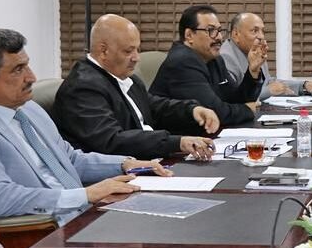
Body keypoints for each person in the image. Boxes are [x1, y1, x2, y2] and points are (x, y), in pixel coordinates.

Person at [0, 28, 172, 225]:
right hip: (44, 228)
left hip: (84, 214)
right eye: (18, 70)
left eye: (27, 66)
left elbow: (69, 159)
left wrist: (124, 164)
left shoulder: (30, 109)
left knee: (164, 219)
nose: (31, 77)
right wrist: (85, 195)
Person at [53, 14, 218, 161]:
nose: (136, 58)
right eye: (128, 51)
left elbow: (154, 107)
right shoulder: (82, 89)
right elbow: (111, 141)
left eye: (137, 49)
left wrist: (192, 110)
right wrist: (177, 143)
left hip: (150, 161)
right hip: (117, 174)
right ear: (103, 51)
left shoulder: (124, 78)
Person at [150, 5, 262, 123]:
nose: (219, 37)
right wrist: (247, 110)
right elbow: (213, 112)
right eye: (211, 30)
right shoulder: (183, 61)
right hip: (176, 133)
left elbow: (234, 99)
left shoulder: (214, 58)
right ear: (189, 35)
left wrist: (253, 72)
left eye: (219, 30)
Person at [220, 12, 312, 100]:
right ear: (236, 34)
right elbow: (232, 98)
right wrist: (269, 91)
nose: (261, 36)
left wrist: (303, 86)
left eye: (262, 31)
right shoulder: (224, 57)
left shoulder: (255, 51)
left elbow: (268, 82)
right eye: (254, 31)